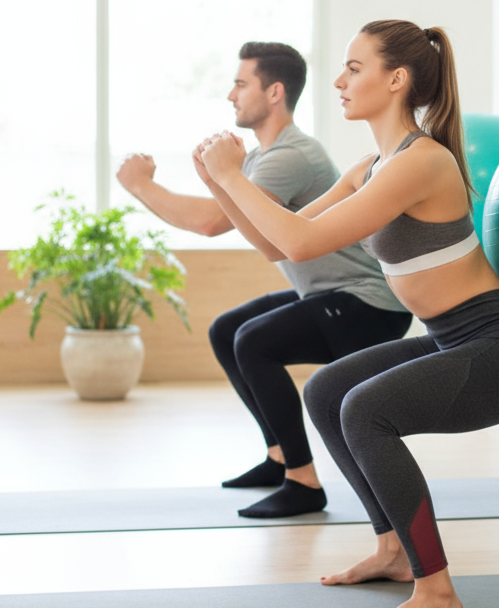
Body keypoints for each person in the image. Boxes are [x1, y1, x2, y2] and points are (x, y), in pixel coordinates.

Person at [197, 20, 499, 608]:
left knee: (366, 410)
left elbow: (301, 240)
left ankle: (437, 593)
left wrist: (233, 178)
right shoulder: (370, 167)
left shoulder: (423, 162)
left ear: (397, 80)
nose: (339, 80)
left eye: (354, 68)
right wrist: (220, 184)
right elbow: (277, 245)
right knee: (326, 392)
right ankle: (393, 548)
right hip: (453, 337)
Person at [117, 41, 411, 518]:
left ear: (274, 92)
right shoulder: (259, 158)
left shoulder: (292, 155)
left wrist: (141, 185)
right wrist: (215, 179)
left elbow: (212, 222)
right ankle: (279, 457)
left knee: (254, 342)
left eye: (240, 84)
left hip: (367, 305)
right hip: (329, 295)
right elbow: (233, 220)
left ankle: (303, 481)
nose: (231, 95)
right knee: (227, 330)